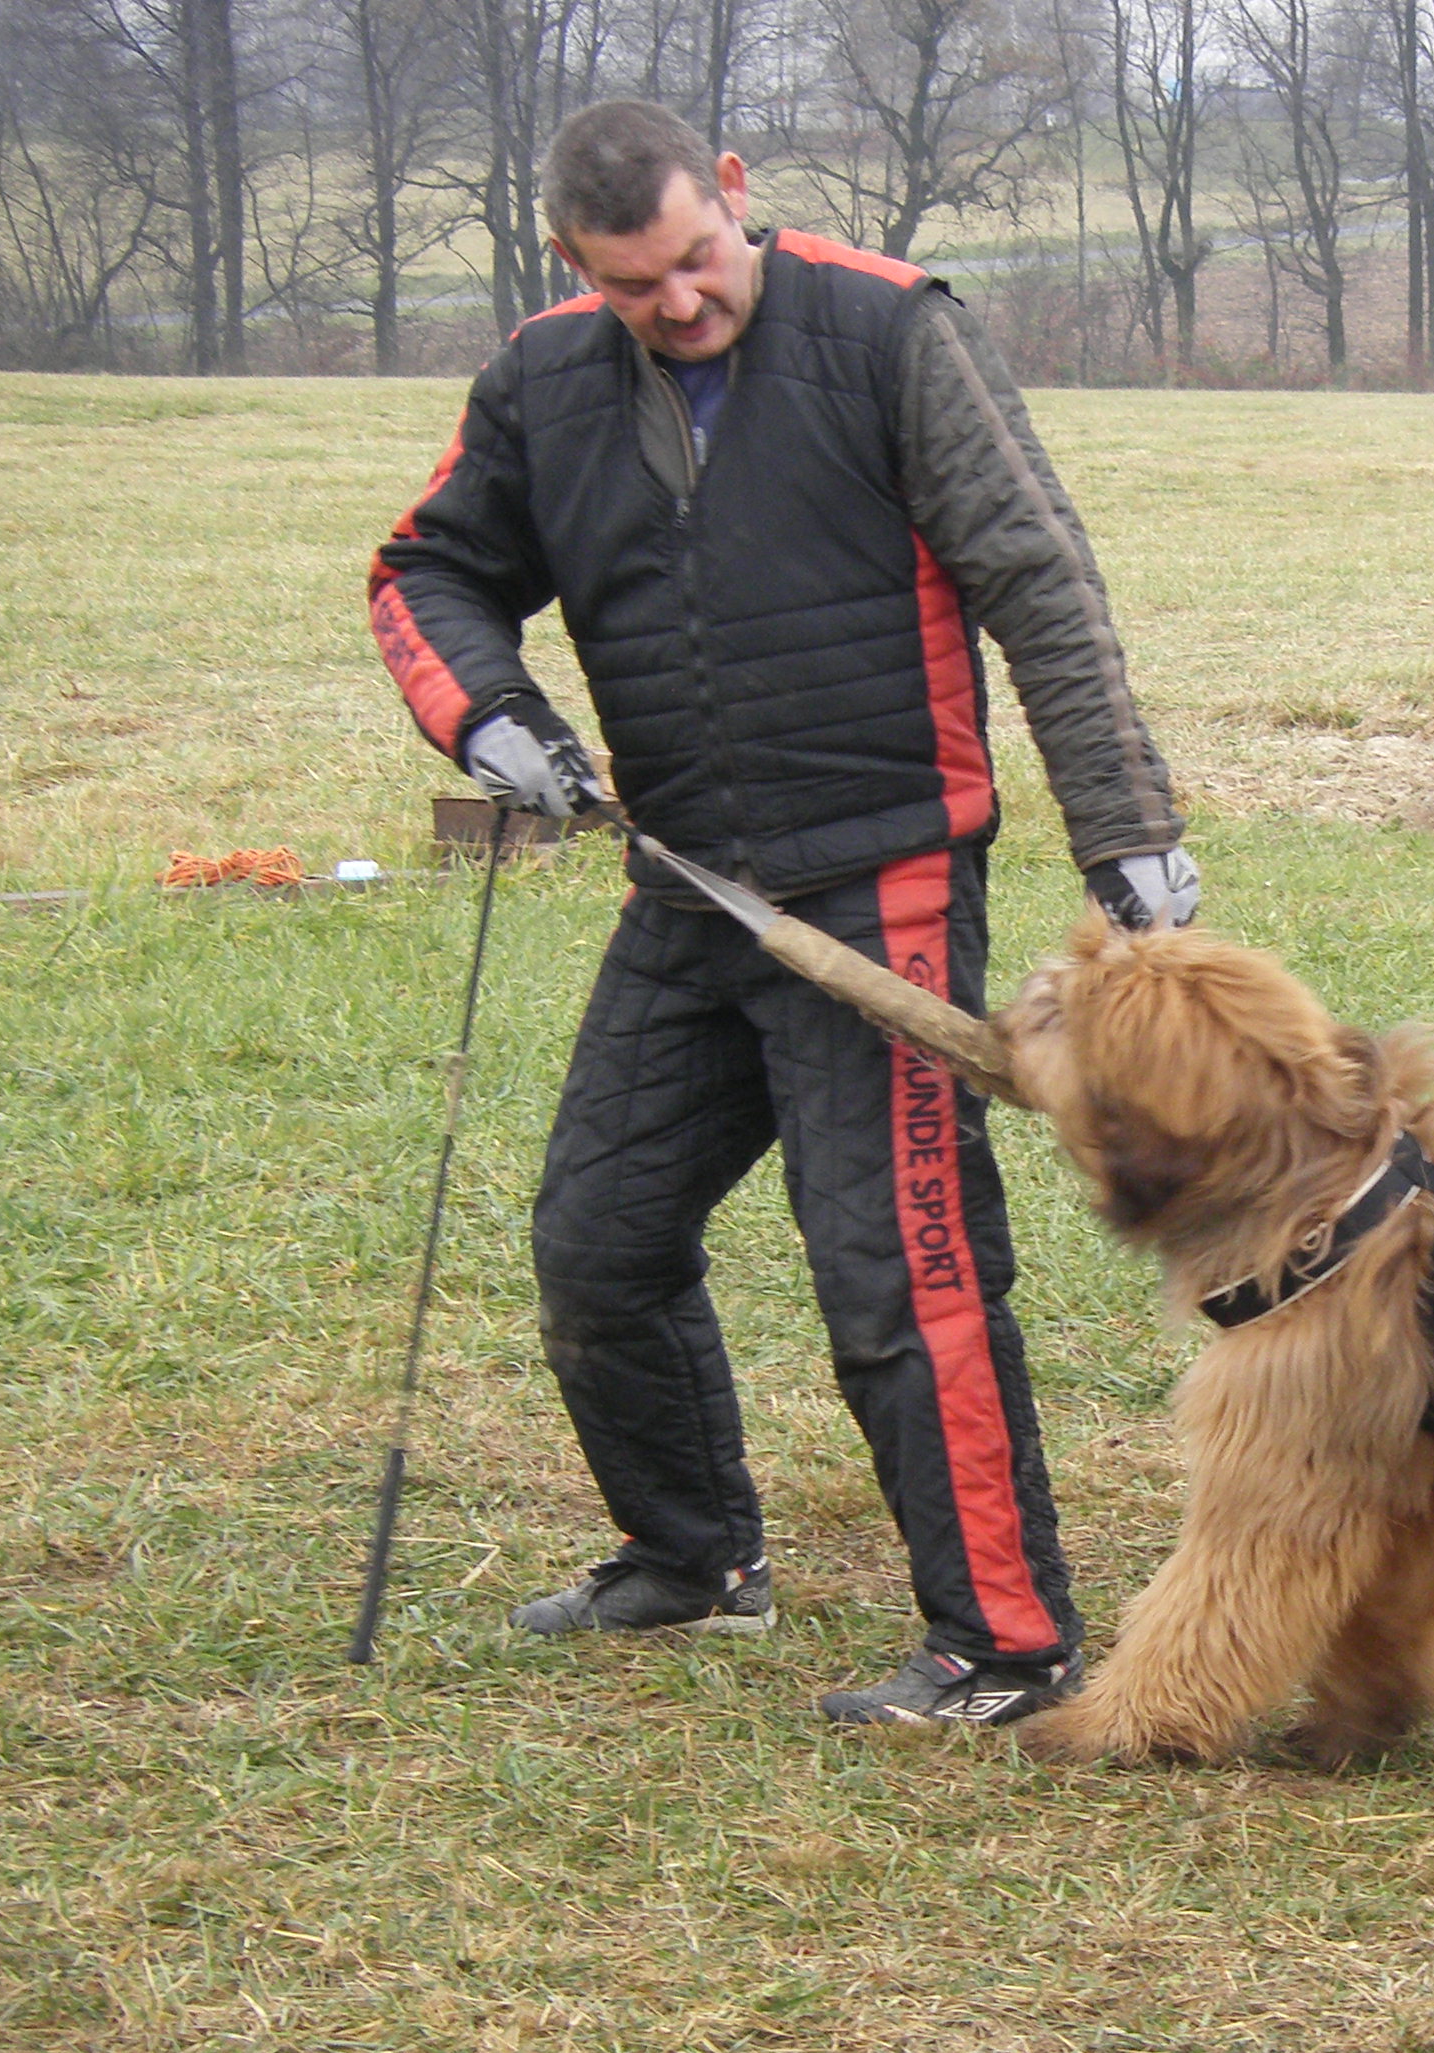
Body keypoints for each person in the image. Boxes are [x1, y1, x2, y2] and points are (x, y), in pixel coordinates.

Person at [370, 99, 1197, 1729]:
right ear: (571, 268)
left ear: (734, 194)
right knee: (597, 1243)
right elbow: (423, 572)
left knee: (897, 1271)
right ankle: (692, 1558)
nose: (679, 303)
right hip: (685, 885)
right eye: (635, 287)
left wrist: (1130, 833)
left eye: (695, 259)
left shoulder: (893, 331)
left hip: (879, 881)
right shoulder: (541, 382)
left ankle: (1007, 1649)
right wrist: (488, 716)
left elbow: (1038, 575)